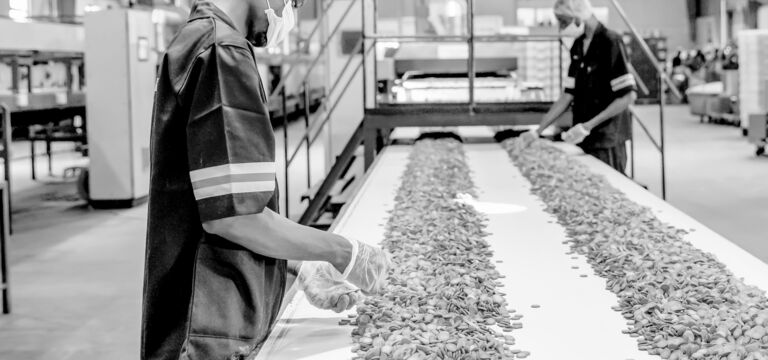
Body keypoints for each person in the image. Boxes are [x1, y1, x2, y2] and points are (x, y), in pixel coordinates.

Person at [142, 1, 390, 359]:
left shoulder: (199, 39)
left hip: (199, 313)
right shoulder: (222, 52)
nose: (290, 11)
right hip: (206, 328)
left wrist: (297, 262)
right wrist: (343, 252)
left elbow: (223, 199)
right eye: (294, 2)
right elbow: (234, 218)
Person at [520, 0, 637, 173]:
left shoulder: (610, 42)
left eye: (563, 22)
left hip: (607, 138)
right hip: (583, 137)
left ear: (578, 18)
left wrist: (588, 126)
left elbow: (627, 97)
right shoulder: (578, 45)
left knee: (609, 185)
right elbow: (568, 94)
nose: (561, 28)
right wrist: (538, 131)